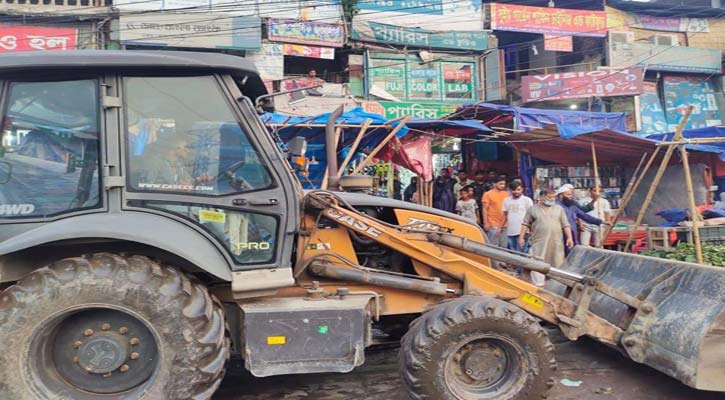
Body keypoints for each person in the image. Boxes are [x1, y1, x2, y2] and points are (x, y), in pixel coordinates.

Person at [520, 189, 574, 287]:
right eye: (549, 197)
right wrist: (521, 237)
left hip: (556, 241)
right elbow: (525, 224)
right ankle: (538, 285)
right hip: (539, 241)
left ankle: (557, 285)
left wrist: (569, 238)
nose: (552, 199)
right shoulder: (533, 209)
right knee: (538, 261)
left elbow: (565, 225)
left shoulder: (559, 209)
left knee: (557, 261)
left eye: (554, 197)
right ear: (541, 197)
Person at [556, 184, 603, 249]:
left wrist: (601, 222)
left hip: (572, 232)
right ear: (561, 195)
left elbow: (584, 215)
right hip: (559, 233)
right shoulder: (555, 206)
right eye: (568, 194)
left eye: (571, 194)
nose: (571, 196)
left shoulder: (572, 205)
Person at [500, 181, 534, 254]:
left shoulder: (527, 200)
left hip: (523, 231)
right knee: (513, 252)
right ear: (510, 190)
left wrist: (532, 230)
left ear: (522, 189)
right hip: (511, 231)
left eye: (518, 190)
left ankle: (521, 266)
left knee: (522, 253)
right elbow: (505, 215)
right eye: (513, 190)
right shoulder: (506, 200)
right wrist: (499, 227)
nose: (516, 192)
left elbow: (531, 216)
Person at [482, 175, 508, 247]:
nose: (503, 186)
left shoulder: (506, 194)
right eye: (500, 184)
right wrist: (485, 223)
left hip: (505, 224)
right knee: (493, 246)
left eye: (504, 184)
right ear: (494, 184)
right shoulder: (487, 194)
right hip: (492, 223)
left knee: (504, 246)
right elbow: (484, 209)